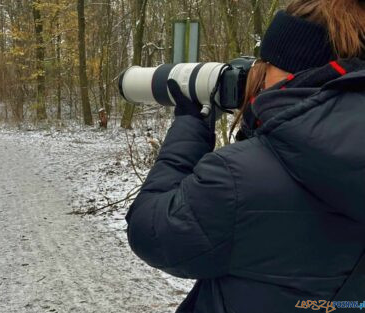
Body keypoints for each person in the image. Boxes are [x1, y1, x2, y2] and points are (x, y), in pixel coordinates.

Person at [125, 0, 365, 312]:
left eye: (265, 63)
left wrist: (189, 129)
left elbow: (151, 231)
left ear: (283, 70)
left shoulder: (238, 179)